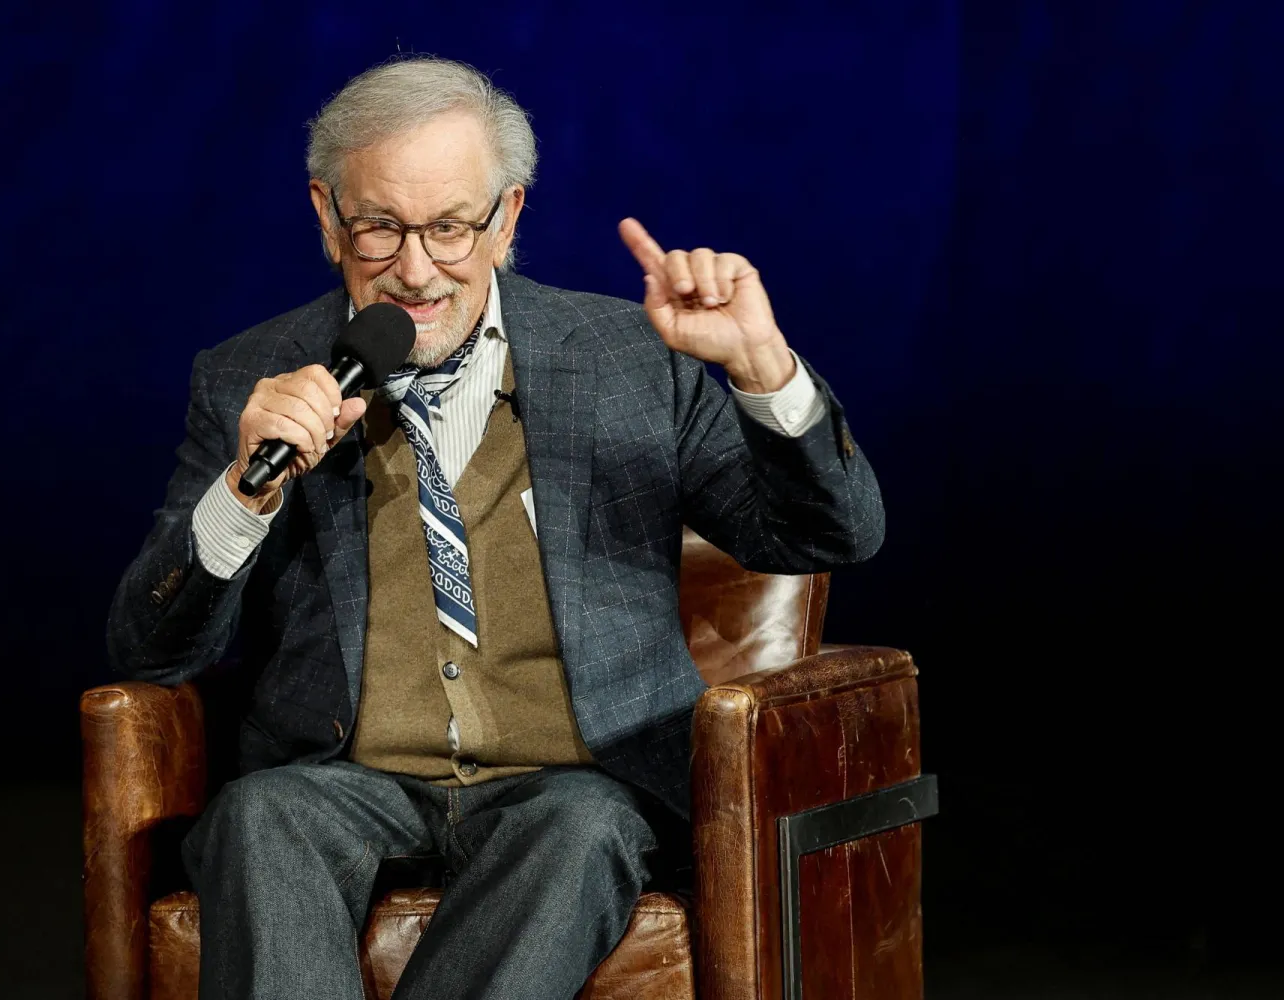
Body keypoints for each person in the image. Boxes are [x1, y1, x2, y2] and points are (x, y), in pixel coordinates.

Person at [107, 54, 883, 1000]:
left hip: (575, 785)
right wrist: (245, 492)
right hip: (343, 780)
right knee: (257, 817)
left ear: (507, 217)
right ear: (327, 215)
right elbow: (149, 649)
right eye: (380, 227)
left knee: (580, 828)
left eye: (449, 226)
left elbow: (829, 537)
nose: (415, 270)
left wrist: (763, 368)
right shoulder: (250, 375)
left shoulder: (631, 362)